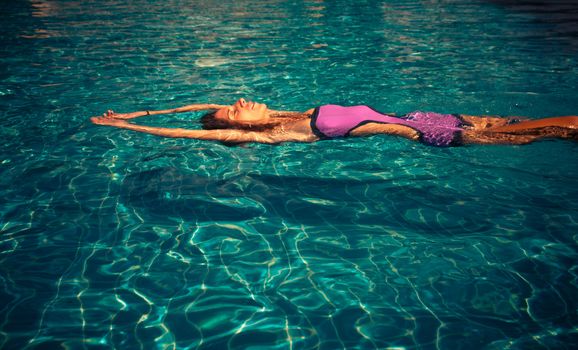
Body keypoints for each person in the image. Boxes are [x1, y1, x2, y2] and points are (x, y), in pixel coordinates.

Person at [90, 98, 578, 146]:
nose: (239, 99)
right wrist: (126, 129)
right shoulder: (282, 132)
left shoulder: (290, 113)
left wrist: (141, 110)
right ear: (237, 129)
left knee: (543, 125)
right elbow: (181, 130)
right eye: (233, 109)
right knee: (566, 125)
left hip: (425, 116)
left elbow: (187, 111)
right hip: (438, 134)